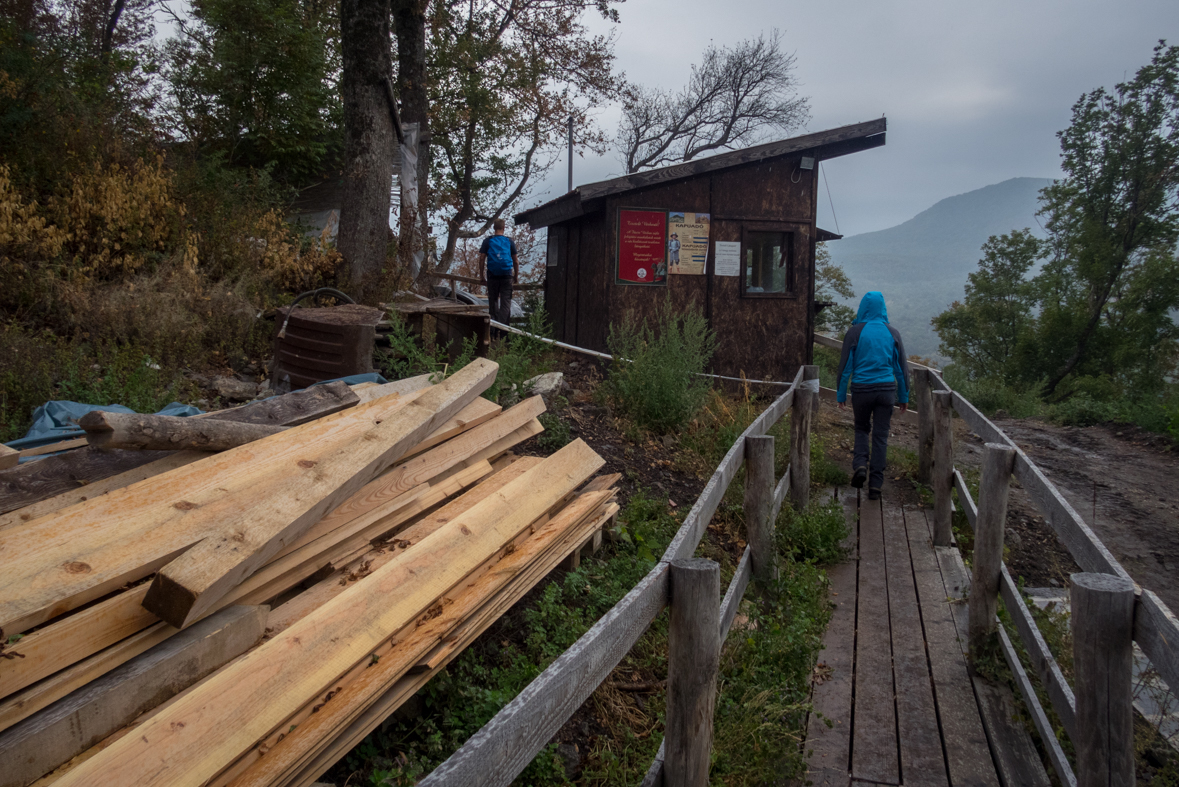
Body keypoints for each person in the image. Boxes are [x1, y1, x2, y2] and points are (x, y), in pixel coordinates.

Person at [835, 291, 911, 500]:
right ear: (883, 308)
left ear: (863, 308)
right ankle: (876, 485)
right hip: (887, 390)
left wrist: (841, 393)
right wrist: (904, 396)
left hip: (861, 390)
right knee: (880, 436)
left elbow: (845, 367)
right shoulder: (893, 333)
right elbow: (901, 368)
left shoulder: (855, 332)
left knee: (861, 428)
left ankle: (860, 464)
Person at [478, 218, 518, 335]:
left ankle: (492, 331)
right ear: (504, 228)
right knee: (506, 303)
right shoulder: (509, 241)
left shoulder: (488, 241)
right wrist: (515, 276)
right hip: (506, 276)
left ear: (494, 228)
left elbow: (481, 258)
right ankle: (503, 332)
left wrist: (481, 276)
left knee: (493, 302)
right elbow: (515, 261)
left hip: (492, 276)